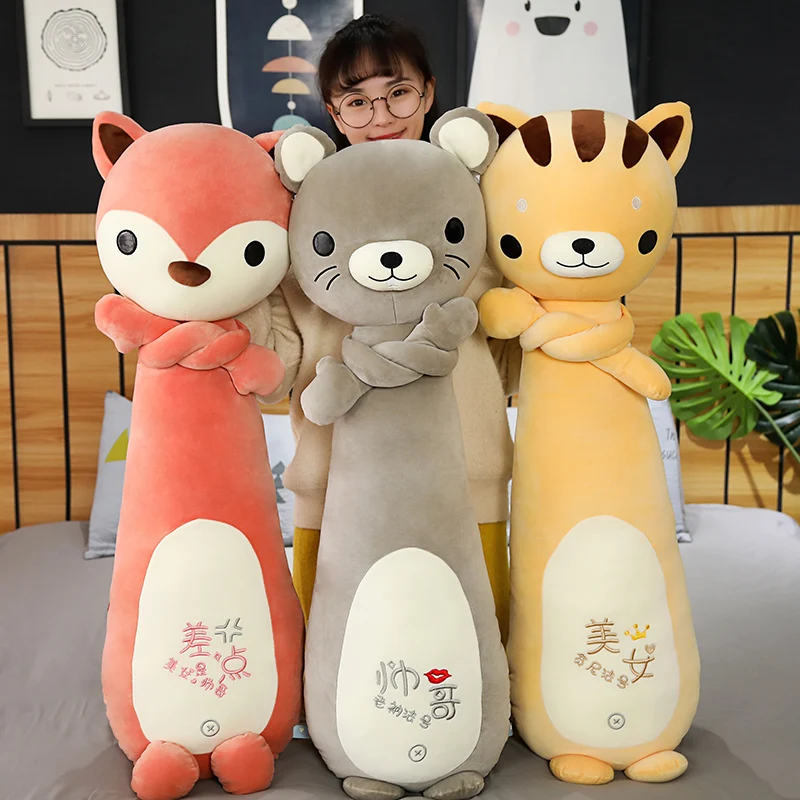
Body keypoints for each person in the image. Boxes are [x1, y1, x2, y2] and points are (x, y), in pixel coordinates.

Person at [240, 14, 519, 643]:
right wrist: (233, 293)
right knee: (334, 662)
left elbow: (508, 357)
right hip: (333, 482)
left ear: (429, 92)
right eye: (357, 101)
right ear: (333, 114)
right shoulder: (304, 219)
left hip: (467, 478)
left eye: (398, 92)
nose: (381, 115)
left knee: (472, 654)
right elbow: (278, 368)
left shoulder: (476, 210)